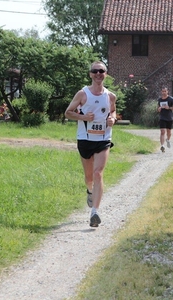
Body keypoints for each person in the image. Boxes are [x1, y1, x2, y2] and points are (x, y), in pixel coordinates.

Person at [65, 61, 117, 227]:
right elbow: (68, 113)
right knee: (89, 178)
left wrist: (112, 119)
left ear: (106, 74)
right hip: (85, 139)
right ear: (90, 74)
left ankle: (95, 212)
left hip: (103, 139)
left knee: (98, 173)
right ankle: (89, 190)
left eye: (101, 71)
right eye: (95, 71)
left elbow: (113, 110)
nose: (98, 74)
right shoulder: (82, 94)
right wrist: (83, 117)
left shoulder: (110, 96)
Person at [157, 87, 173, 152]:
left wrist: (169, 108)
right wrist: (159, 109)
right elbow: (158, 108)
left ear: (167, 92)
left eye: (165, 91)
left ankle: (168, 140)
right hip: (162, 117)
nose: (164, 93)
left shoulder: (171, 99)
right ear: (161, 92)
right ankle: (162, 146)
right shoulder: (159, 100)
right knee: (162, 132)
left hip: (169, 118)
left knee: (169, 132)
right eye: (162, 91)